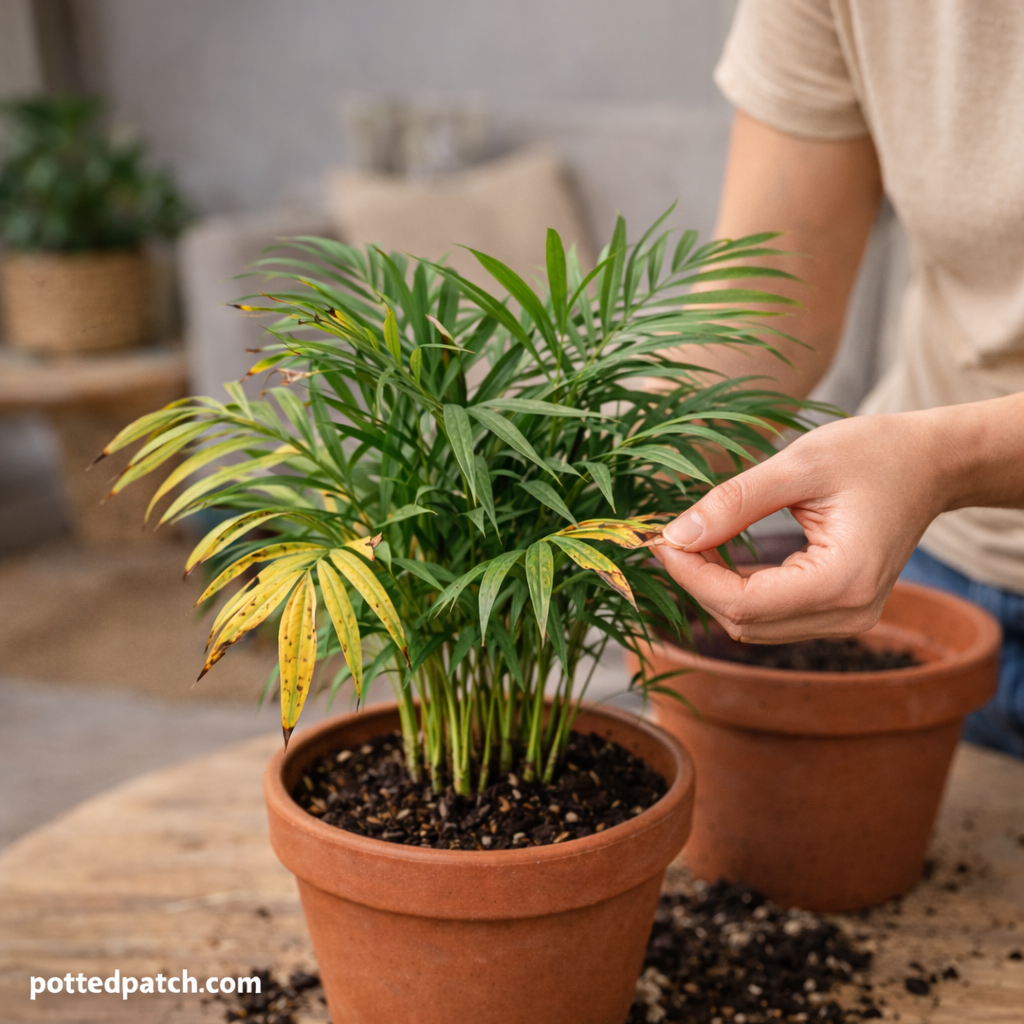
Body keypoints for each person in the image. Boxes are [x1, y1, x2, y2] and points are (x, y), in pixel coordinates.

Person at [652, 0, 1024, 758]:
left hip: (932, 496)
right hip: (936, 577)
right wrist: (593, 461)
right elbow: (770, 297)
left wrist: (948, 461)